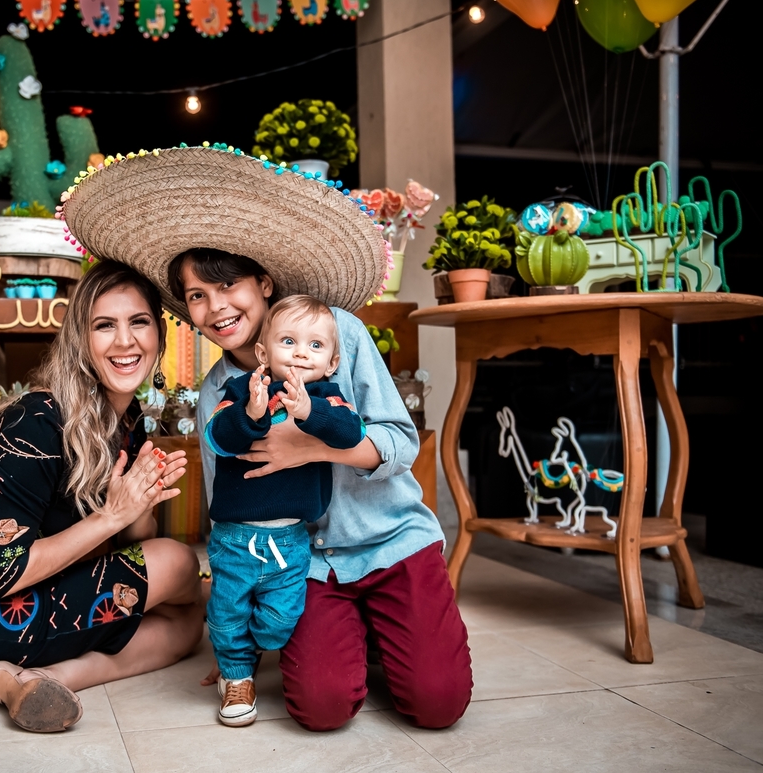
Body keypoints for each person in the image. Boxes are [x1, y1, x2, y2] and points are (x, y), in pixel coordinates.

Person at [60, 145, 473, 732]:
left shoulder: (336, 332)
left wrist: (313, 447)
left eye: (227, 285)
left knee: (437, 703)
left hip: (390, 542)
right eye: (196, 296)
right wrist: (235, 638)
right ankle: (352, 634)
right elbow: (225, 508)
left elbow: (401, 443)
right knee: (321, 708)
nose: (215, 308)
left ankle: (387, 631)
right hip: (304, 565)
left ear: (263, 282)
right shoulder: (217, 390)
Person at [0, 260, 204, 732]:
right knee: (179, 564)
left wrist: (138, 503)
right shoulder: (35, 422)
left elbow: (134, 544)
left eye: (139, 322)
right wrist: (110, 516)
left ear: (159, 336)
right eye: (105, 325)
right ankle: (221, 596)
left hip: (11, 619)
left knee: (186, 629)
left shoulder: (126, 419)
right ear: (80, 339)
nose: (125, 341)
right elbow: (0, 577)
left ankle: (40, 680)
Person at [203, 295, 366, 727]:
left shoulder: (328, 397)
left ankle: (254, 643)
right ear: (263, 352)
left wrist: (310, 413)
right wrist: (252, 413)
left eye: (316, 346)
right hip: (234, 539)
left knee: (281, 619)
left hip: (291, 540)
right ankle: (236, 676)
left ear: (332, 363)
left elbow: (352, 434)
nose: (300, 353)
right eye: (288, 341)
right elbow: (218, 437)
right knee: (227, 613)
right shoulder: (242, 389)